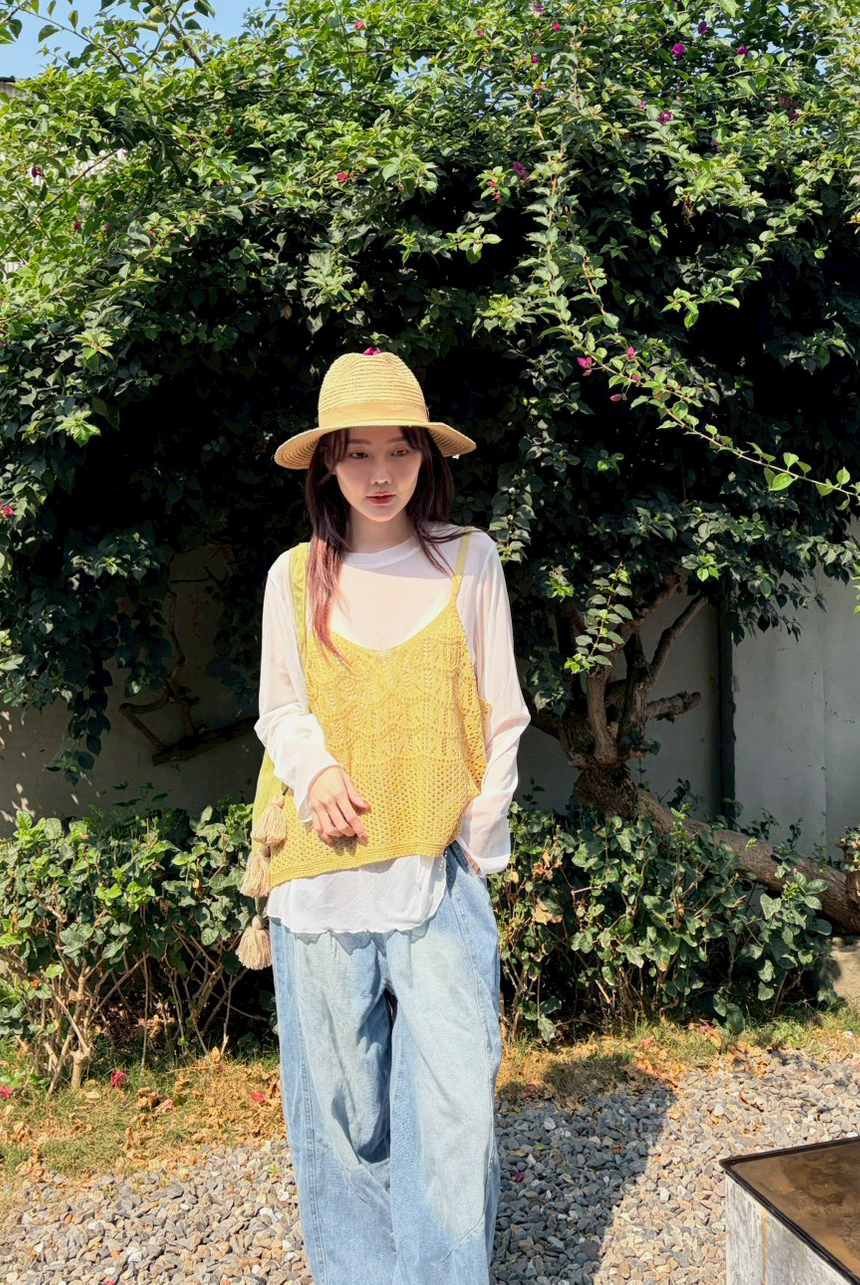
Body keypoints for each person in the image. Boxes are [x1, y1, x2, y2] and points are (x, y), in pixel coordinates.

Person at [247, 347, 531, 1284]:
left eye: (399, 450)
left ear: (425, 456)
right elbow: (281, 707)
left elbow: (502, 715)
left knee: (454, 1109)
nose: (380, 473)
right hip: (320, 882)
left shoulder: (470, 559)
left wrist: (475, 837)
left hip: (437, 873)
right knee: (344, 1119)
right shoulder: (295, 576)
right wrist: (316, 768)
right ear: (327, 461)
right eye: (357, 452)